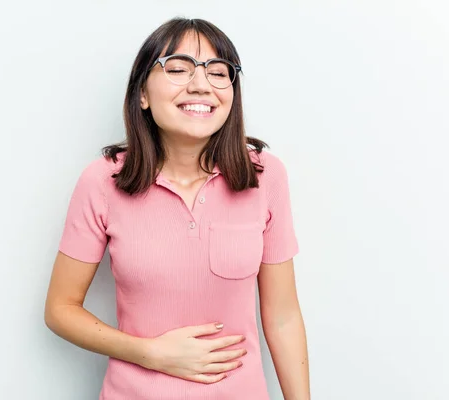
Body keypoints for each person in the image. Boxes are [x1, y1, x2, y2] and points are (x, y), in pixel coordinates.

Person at [44, 17, 310, 400]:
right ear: (142, 95)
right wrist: (149, 353)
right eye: (178, 68)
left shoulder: (265, 177)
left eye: (218, 72)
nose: (200, 84)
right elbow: (60, 308)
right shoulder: (102, 181)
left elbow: (283, 317)